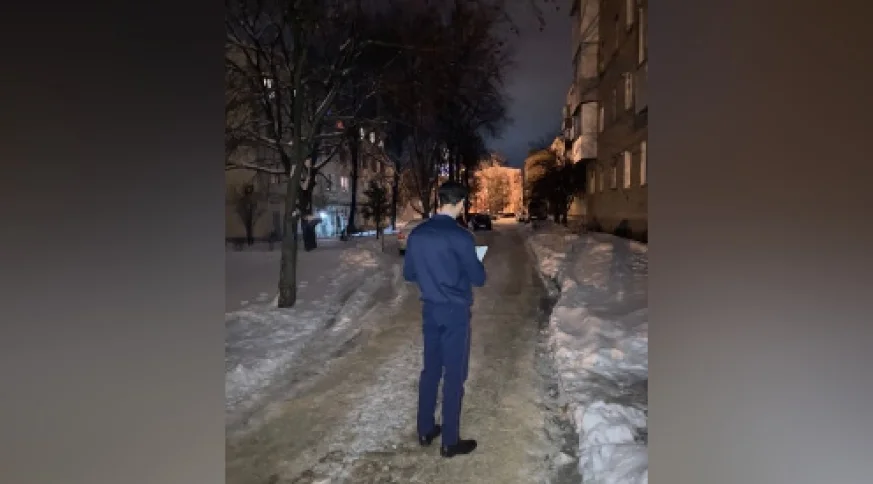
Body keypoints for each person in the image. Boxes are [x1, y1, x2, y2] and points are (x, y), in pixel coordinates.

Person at [403, 181, 486, 458]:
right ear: (461, 203)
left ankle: (425, 429)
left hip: (430, 309)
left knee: (430, 370)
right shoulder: (462, 237)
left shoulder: (417, 234)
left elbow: (409, 274)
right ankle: (450, 441)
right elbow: (478, 278)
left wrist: (433, 275)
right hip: (454, 312)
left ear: (440, 201)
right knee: (454, 374)